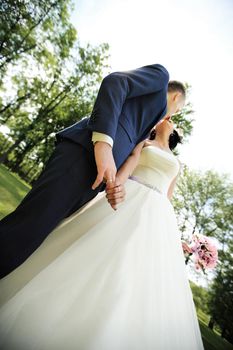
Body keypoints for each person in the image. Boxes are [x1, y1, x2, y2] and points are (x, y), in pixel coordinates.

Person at [0, 117, 204, 350]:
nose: (167, 119)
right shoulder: (142, 142)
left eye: (172, 119)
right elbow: (128, 164)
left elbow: (169, 196)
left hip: (157, 215)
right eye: (165, 116)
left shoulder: (176, 163)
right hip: (128, 197)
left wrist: (172, 236)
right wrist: (115, 185)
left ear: (176, 132)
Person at [0, 63, 186, 278]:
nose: (173, 115)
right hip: (83, 155)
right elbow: (115, 81)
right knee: (28, 227)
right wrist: (104, 144)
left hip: (95, 179)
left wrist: (116, 183)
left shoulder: (152, 119)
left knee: (38, 234)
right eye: (178, 110)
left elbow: (134, 153)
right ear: (175, 99)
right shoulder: (161, 77)